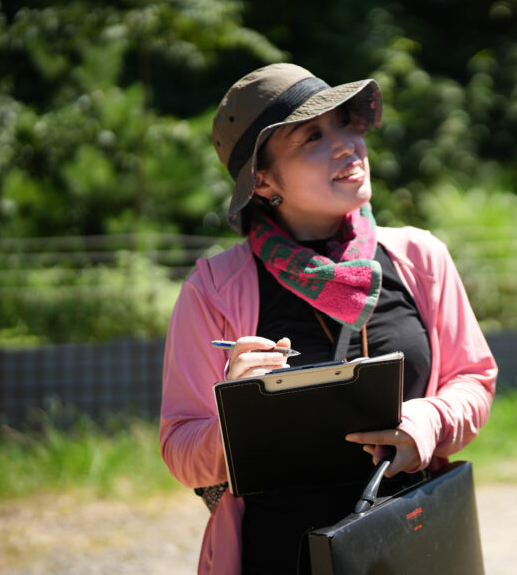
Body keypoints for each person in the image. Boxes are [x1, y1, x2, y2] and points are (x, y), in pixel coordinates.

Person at [159, 63, 497, 574]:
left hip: (410, 539)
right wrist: (237, 416)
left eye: (346, 124)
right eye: (312, 137)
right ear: (265, 180)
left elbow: (473, 380)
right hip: (279, 554)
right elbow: (180, 446)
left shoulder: (420, 258)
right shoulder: (213, 289)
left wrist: (424, 422)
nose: (347, 144)